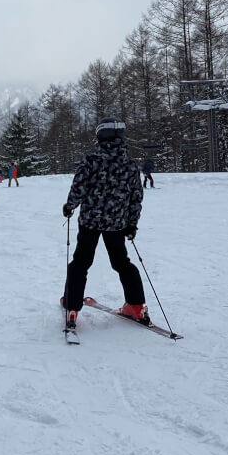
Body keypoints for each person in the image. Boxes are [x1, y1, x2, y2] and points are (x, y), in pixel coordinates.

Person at [61, 118, 147, 331]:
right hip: (116, 223)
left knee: (80, 262)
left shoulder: (91, 159)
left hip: (90, 220)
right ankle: (136, 306)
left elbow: (78, 187)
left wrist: (70, 206)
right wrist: (132, 223)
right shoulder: (130, 164)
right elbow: (136, 197)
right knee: (122, 262)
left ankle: (72, 307)